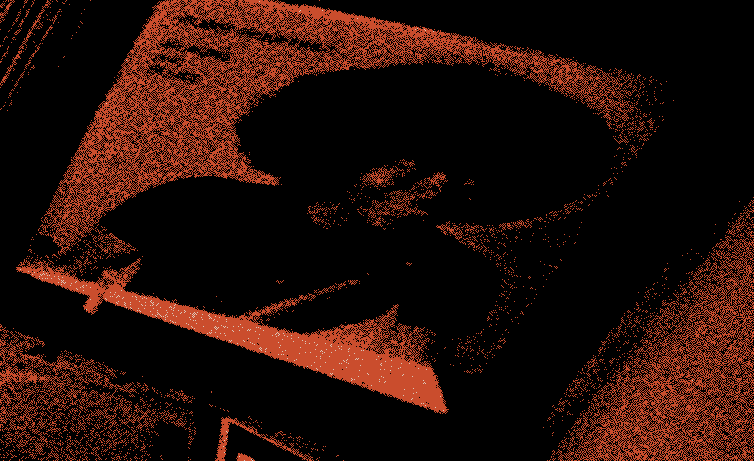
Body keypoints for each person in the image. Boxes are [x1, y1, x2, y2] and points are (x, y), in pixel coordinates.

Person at [45, 60, 620, 371]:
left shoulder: (450, 278)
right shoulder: (197, 201)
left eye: (460, 184)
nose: (428, 193)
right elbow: (57, 286)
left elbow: (409, 396)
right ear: (348, 151)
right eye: (405, 169)